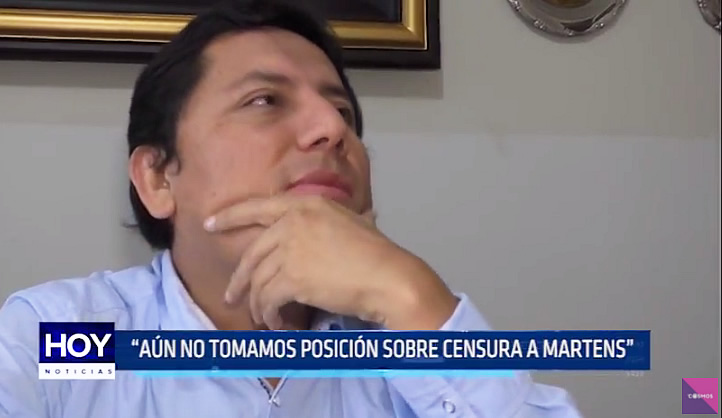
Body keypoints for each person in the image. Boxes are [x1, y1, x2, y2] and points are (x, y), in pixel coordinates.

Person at [0, 0, 582, 416]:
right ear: (157, 178)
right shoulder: (62, 341)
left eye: (344, 113)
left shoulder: (410, 337)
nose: (332, 128)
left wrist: (412, 298)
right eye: (264, 101)